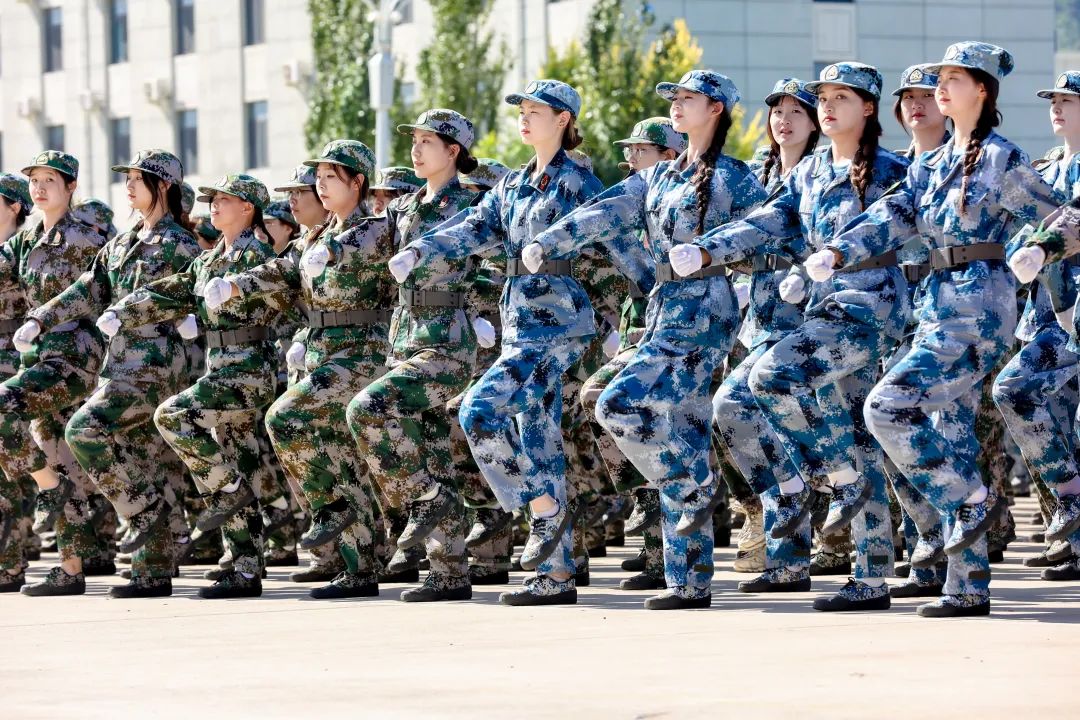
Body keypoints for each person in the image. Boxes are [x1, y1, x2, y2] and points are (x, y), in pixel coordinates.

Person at [819, 43, 1061, 617]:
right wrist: (839, 250)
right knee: (950, 437)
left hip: (978, 309)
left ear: (981, 89)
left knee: (887, 406)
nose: (941, 88)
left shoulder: (1001, 157)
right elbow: (892, 215)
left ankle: (969, 499)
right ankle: (967, 586)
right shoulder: (929, 164)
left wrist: (1041, 247)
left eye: (953, 78)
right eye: (939, 78)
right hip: (934, 304)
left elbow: (1060, 212)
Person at [528, 70, 766, 609]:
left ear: (716, 109)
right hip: (662, 309)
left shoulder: (734, 176)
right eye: (674, 98)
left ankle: (692, 489)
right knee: (682, 430)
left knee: (618, 403)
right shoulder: (658, 177)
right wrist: (552, 239)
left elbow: (773, 233)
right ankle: (689, 580)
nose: (677, 105)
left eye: (688, 98)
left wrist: (724, 258)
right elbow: (606, 209)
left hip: (704, 311)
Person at [395, 80, 611, 606]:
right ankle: (554, 575)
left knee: (479, 410)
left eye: (535, 110)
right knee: (538, 440)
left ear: (563, 119)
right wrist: (424, 249)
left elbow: (614, 248)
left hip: (558, 326)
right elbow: (474, 227)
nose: (524, 117)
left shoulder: (579, 183)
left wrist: (629, 315)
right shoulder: (514, 183)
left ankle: (542, 511)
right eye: (522, 110)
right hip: (520, 327)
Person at [207, 142, 396, 599]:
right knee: (339, 458)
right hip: (322, 353)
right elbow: (281, 271)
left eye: (331, 177)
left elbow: (378, 254)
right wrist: (235, 285)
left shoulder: (376, 229)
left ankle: (330, 508)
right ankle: (360, 566)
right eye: (320, 178)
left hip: (360, 352)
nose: (321, 186)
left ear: (357, 182)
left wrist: (335, 250)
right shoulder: (313, 237)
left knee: (285, 416)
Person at [20, 150, 200, 598]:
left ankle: (142, 512)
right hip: (118, 364)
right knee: (142, 460)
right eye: (128, 178)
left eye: (139, 179)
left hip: (157, 366)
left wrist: (136, 311)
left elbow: (186, 293)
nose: (129, 186)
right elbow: (89, 286)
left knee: (84, 429)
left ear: (164, 186)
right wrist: (41, 317)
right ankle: (151, 572)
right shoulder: (123, 243)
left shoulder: (180, 242)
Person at [104, 174, 283, 599]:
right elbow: (172, 290)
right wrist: (124, 311)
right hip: (220, 368)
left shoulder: (257, 254)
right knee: (237, 461)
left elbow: (278, 290)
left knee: (173, 416)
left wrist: (234, 289)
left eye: (224, 200)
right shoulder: (208, 260)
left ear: (248, 208)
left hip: (248, 371)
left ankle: (228, 494)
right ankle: (245, 566)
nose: (214, 205)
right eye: (212, 199)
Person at [351, 109, 482, 602]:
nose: (416, 149)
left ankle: (426, 497)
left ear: (453, 151)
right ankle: (448, 571)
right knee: (430, 449)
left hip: (448, 340)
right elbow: (365, 239)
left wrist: (482, 309)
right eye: (415, 140)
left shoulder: (472, 204)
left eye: (428, 141)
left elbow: (497, 262)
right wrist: (331, 250)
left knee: (367, 409)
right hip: (405, 337)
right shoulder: (404, 207)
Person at [711, 77, 823, 592]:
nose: (784, 120)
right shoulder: (756, 173)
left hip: (814, 319)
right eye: (777, 111)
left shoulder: (827, 172)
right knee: (735, 411)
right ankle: (774, 522)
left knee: (820, 431)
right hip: (759, 317)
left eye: (797, 111)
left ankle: (830, 533)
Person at [577, 116, 684, 591]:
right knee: (607, 408)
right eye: (631, 151)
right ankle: (650, 524)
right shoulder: (631, 209)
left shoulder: (679, 209)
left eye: (642, 151)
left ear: (669, 157)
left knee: (662, 427)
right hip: (634, 327)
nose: (631, 159)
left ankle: (670, 553)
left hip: (676, 330)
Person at [0, 152, 110, 596]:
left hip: (73, 356)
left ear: (71, 187)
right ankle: (70, 568)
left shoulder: (86, 236)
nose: (40, 188)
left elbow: (110, 283)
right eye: (34, 181)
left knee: (3, 407)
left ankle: (47, 487)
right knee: (59, 461)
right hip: (39, 359)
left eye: (50, 180)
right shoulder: (26, 240)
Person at [994, 70, 1080, 582]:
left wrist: (1042, 245)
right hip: (1045, 311)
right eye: (1054, 100)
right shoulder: (1047, 169)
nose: (1057, 107)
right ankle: (1071, 541)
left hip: (1074, 312)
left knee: (1015, 390)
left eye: (1069, 100)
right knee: (1058, 423)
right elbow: (1017, 227)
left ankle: (1071, 504)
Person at [0, 174, 32, 592]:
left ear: (14, 207)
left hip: (12, 356)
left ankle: (10, 562)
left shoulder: (22, 250)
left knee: (10, 465)